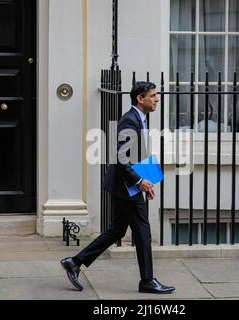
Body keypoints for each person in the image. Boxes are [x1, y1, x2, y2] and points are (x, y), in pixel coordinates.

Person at [60, 82, 175, 294]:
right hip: (126, 187)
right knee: (142, 231)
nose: (157, 99)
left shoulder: (139, 119)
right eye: (153, 95)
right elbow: (122, 158)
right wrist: (140, 182)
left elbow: (137, 154)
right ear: (140, 99)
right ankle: (147, 280)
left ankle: (75, 262)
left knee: (116, 230)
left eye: (156, 95)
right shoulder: (129, 121)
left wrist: (148, 181)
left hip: (125, 185)